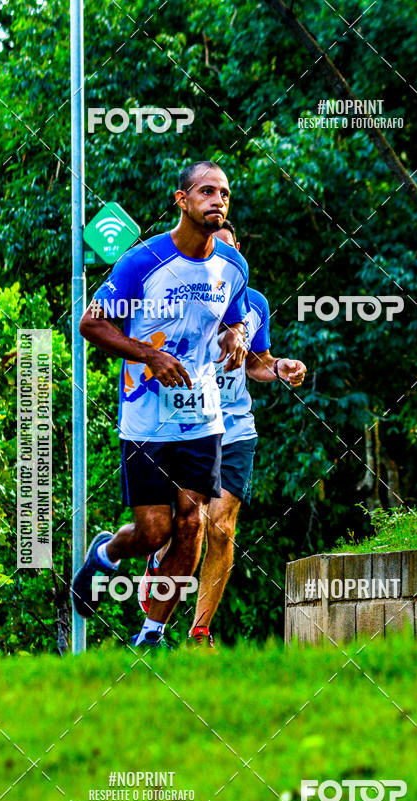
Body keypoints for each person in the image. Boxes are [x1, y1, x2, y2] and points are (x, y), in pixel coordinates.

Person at [72, 161, 250, 650]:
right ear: (182, 200)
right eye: (208, 192)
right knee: (155, 532)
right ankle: (106, 554)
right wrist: (151, 355)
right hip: (147, 416)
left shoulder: (233, 266)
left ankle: (152, 634)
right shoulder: (142, 261)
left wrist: (236, 336)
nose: (218, 200)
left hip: (202, 417)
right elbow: (92, 324)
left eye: (225, 194)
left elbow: (234, 319)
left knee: (192, 523)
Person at [135, 219, 307, 649]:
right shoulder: (179, 293)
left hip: (234, 428)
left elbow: (257, 362)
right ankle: (159, 566)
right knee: (182, 524)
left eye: (228, 252)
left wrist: (280, 367)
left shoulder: (254, 304)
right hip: (183, 423)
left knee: (221, 527)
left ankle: (199, 631)